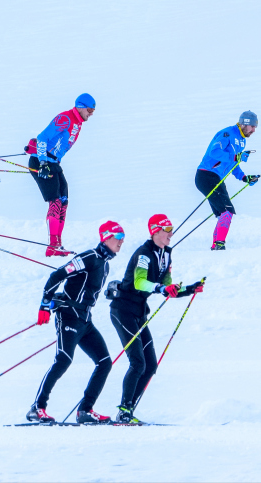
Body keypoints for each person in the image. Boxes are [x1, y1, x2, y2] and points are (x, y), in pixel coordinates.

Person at [108, 214, 204, 423]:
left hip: (140, 313)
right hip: (123, 310)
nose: (171, 234)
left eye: (171, 229)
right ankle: (124, 410)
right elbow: (140, 282)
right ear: (156, 231)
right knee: (138, 363)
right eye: (167, 229)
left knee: (150, 365)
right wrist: (160, 287)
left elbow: (168, 287)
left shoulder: (166, 254)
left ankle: (128, 410)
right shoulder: (144, 254)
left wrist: (189, 289)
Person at [26, 220, 124, 424]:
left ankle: (85, 410)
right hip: (68, 314)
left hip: (85, 320)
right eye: (118, 237)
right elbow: (57, 275)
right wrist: (44, 305)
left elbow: (87, 288)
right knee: (63, 359)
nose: (121, 242)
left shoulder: (104, 264)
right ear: (106, 237)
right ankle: (37, 408)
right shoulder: (89, 257)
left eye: (123, 237)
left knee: (104, 362)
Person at [24, 93, 96, 257]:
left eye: (93, 111)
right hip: (42, 162)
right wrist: (42, 163)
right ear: (81, 106)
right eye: (90, 110)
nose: (91, 114)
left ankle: (58, 244)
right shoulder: (66, 118)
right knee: (55, 201)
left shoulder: (77, 123)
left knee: (64, 200)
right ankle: (52, 246)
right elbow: (42, 138)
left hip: (54, 163)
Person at [194, 110, 258, 250]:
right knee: (227, 211)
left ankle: (216, 245)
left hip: (215, 178)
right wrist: (236, 157)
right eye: (252, 126)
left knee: (223, 213)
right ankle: (219, 245)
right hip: (207, 175)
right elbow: (215, 152)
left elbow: (233, 163)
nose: (254, 130)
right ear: (244, 124)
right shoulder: (227, 133)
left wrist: (244, 177)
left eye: (256, 126)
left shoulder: (242, 141)